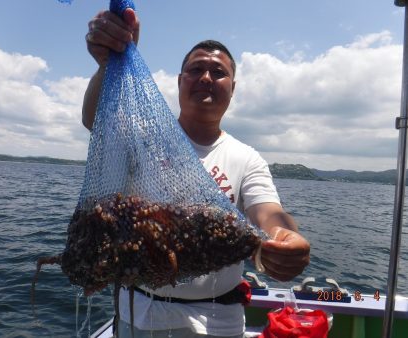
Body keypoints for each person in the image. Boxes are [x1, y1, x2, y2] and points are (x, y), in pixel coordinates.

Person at [82, 8, 310, 338]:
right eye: (195, 69)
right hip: (140, 317)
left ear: (233, 88)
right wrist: (109, 63)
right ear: (179, 81)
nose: (205, 77)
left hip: (218, 323)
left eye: (218, 72)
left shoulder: (246, 158)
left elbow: (269, 212)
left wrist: (285, 237)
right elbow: (95, 119)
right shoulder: (142, 139)